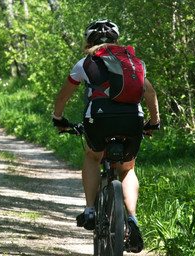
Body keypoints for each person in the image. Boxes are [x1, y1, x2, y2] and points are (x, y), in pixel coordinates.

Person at [52, 19, 160, 253]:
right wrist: (154, 122)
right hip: (132, 120)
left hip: (99, 120)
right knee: (127, 169)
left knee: (92, 156)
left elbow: (63, 97)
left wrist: (58, 119)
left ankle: (90, 210)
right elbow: (149, 92)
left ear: (88, 41)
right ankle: (132, 219)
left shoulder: (85, 63)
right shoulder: (133, 62)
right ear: (116, 40)